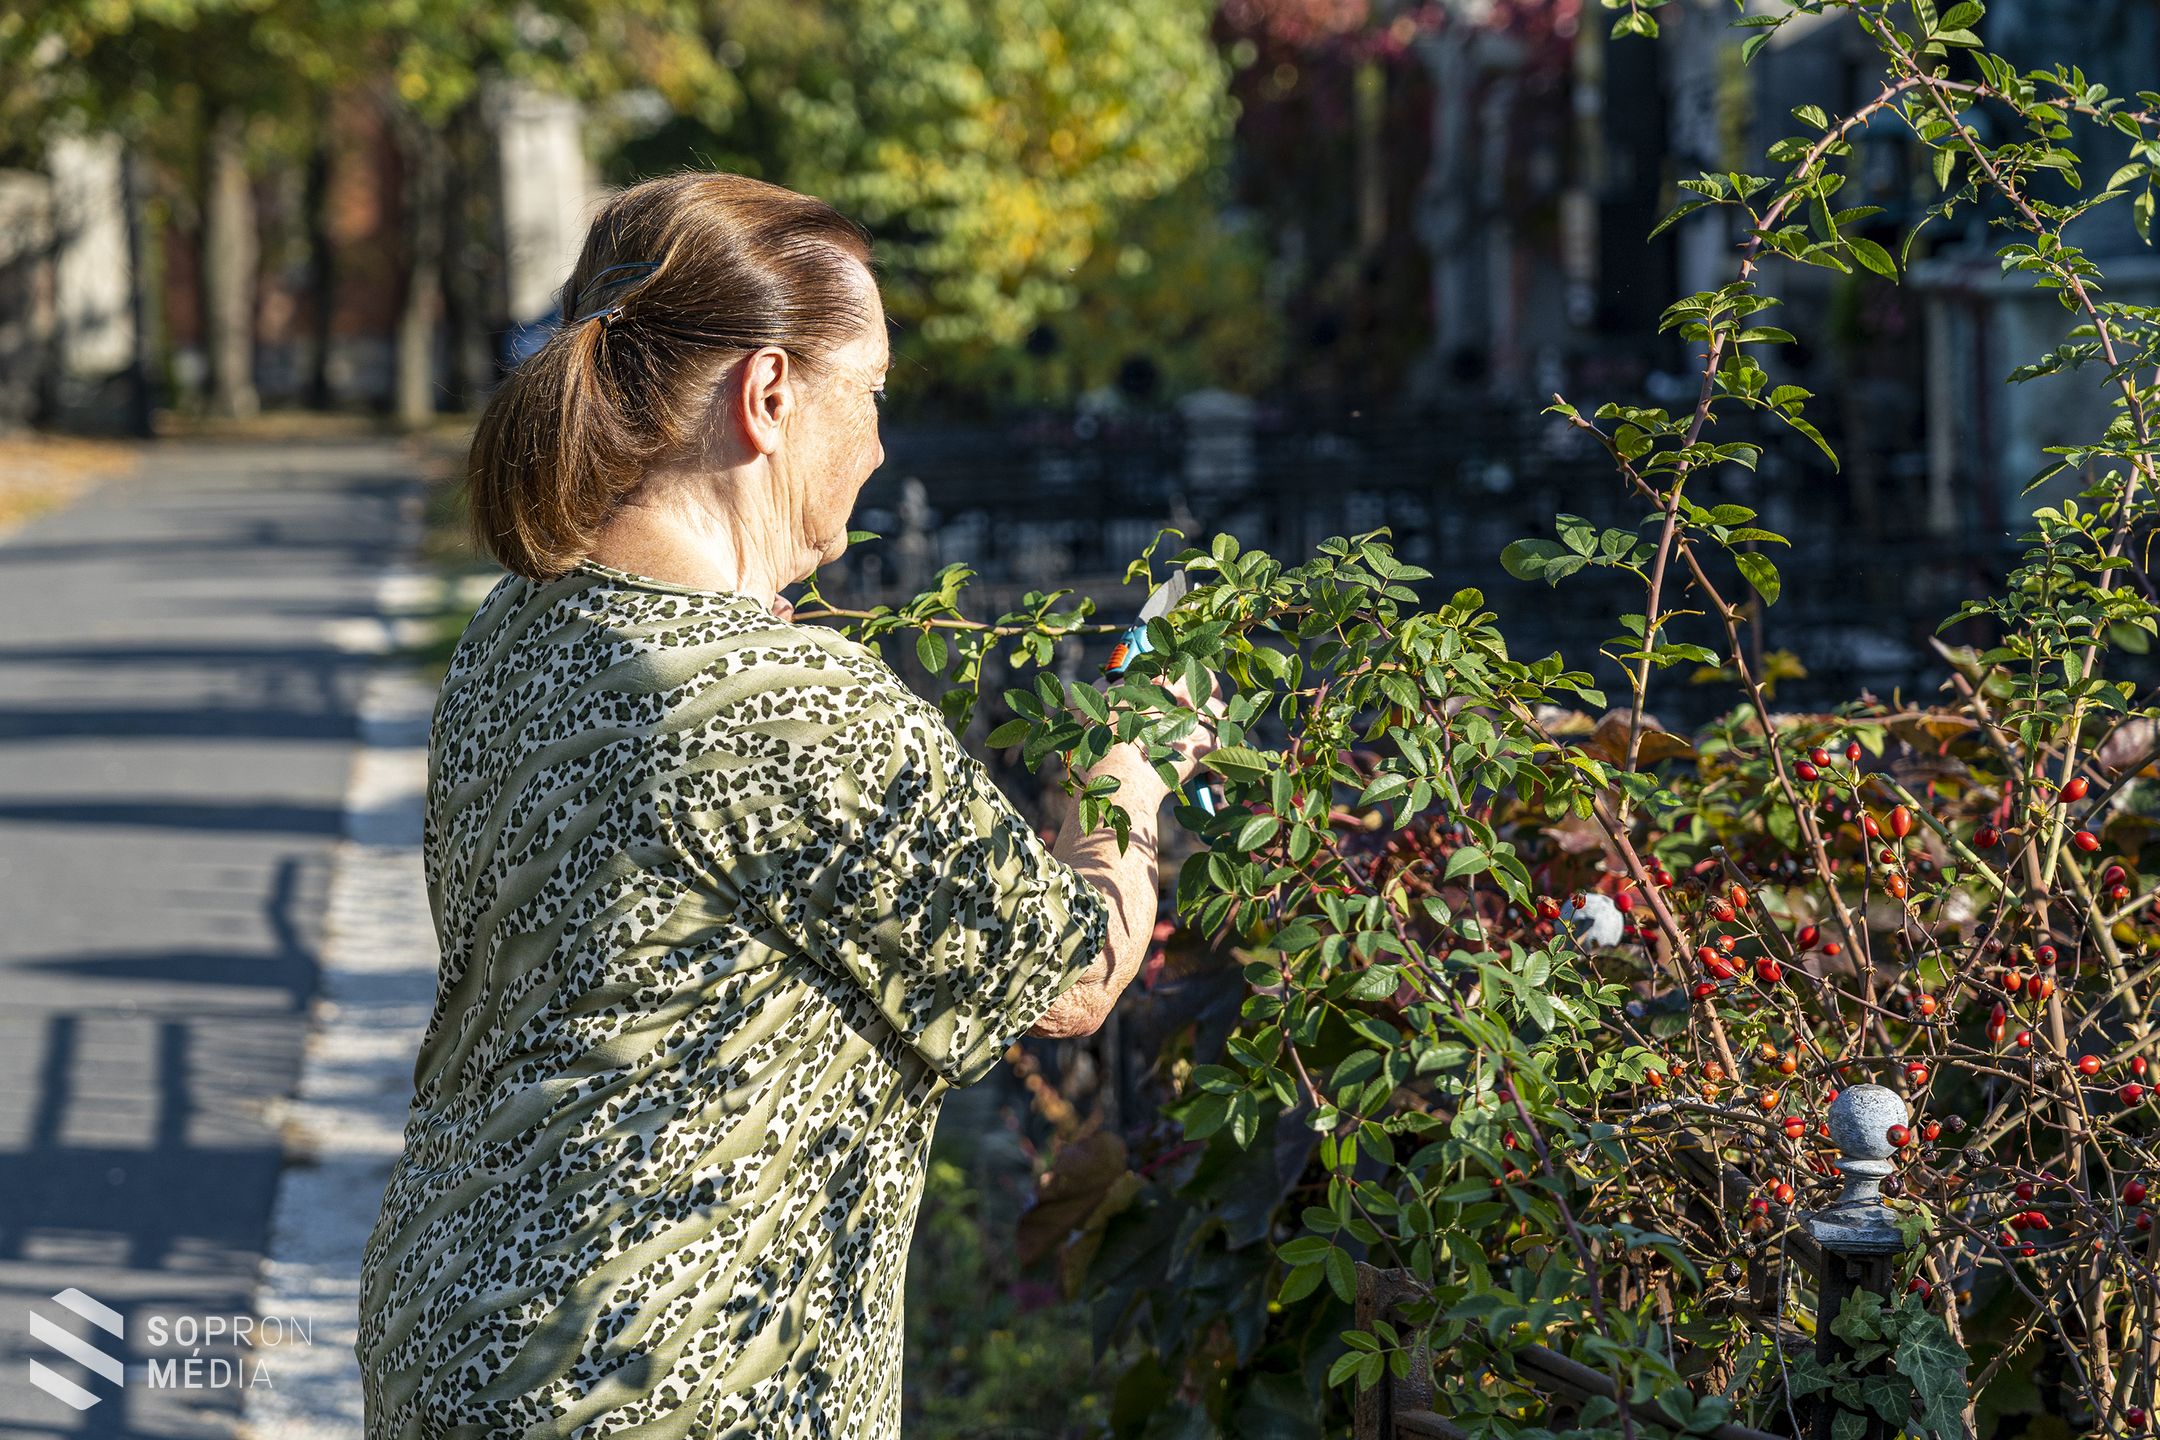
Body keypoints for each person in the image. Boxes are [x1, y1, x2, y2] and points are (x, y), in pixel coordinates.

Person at [352, 170, 1223, 1439]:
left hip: (456, 1329)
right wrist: (1121, 778)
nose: (876, 446)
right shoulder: (785, 703)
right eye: (867, 394)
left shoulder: (523, 627)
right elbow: (1071, 974)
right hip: (666, 1383)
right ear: (767, 397)